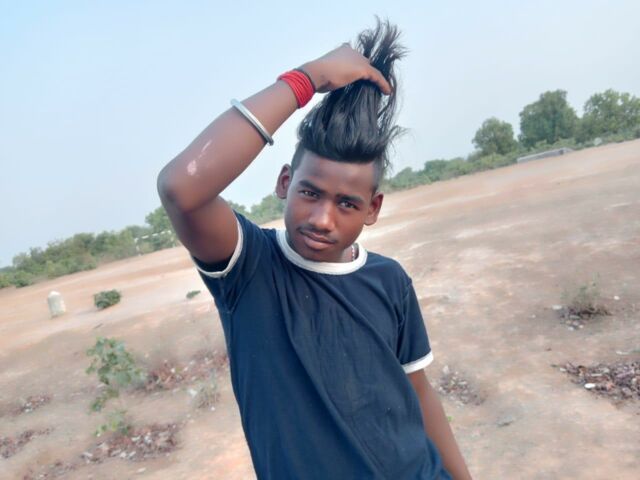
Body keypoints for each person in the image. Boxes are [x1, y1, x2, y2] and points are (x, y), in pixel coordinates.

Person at [157, 19, 471, 480]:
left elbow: (418, 392)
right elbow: (182, 187)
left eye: (347, 203)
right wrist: (308, 78)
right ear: (285, 182)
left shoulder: (389, 280)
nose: (323, 219)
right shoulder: (249, 268)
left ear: (372, 208)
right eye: (310, 193)